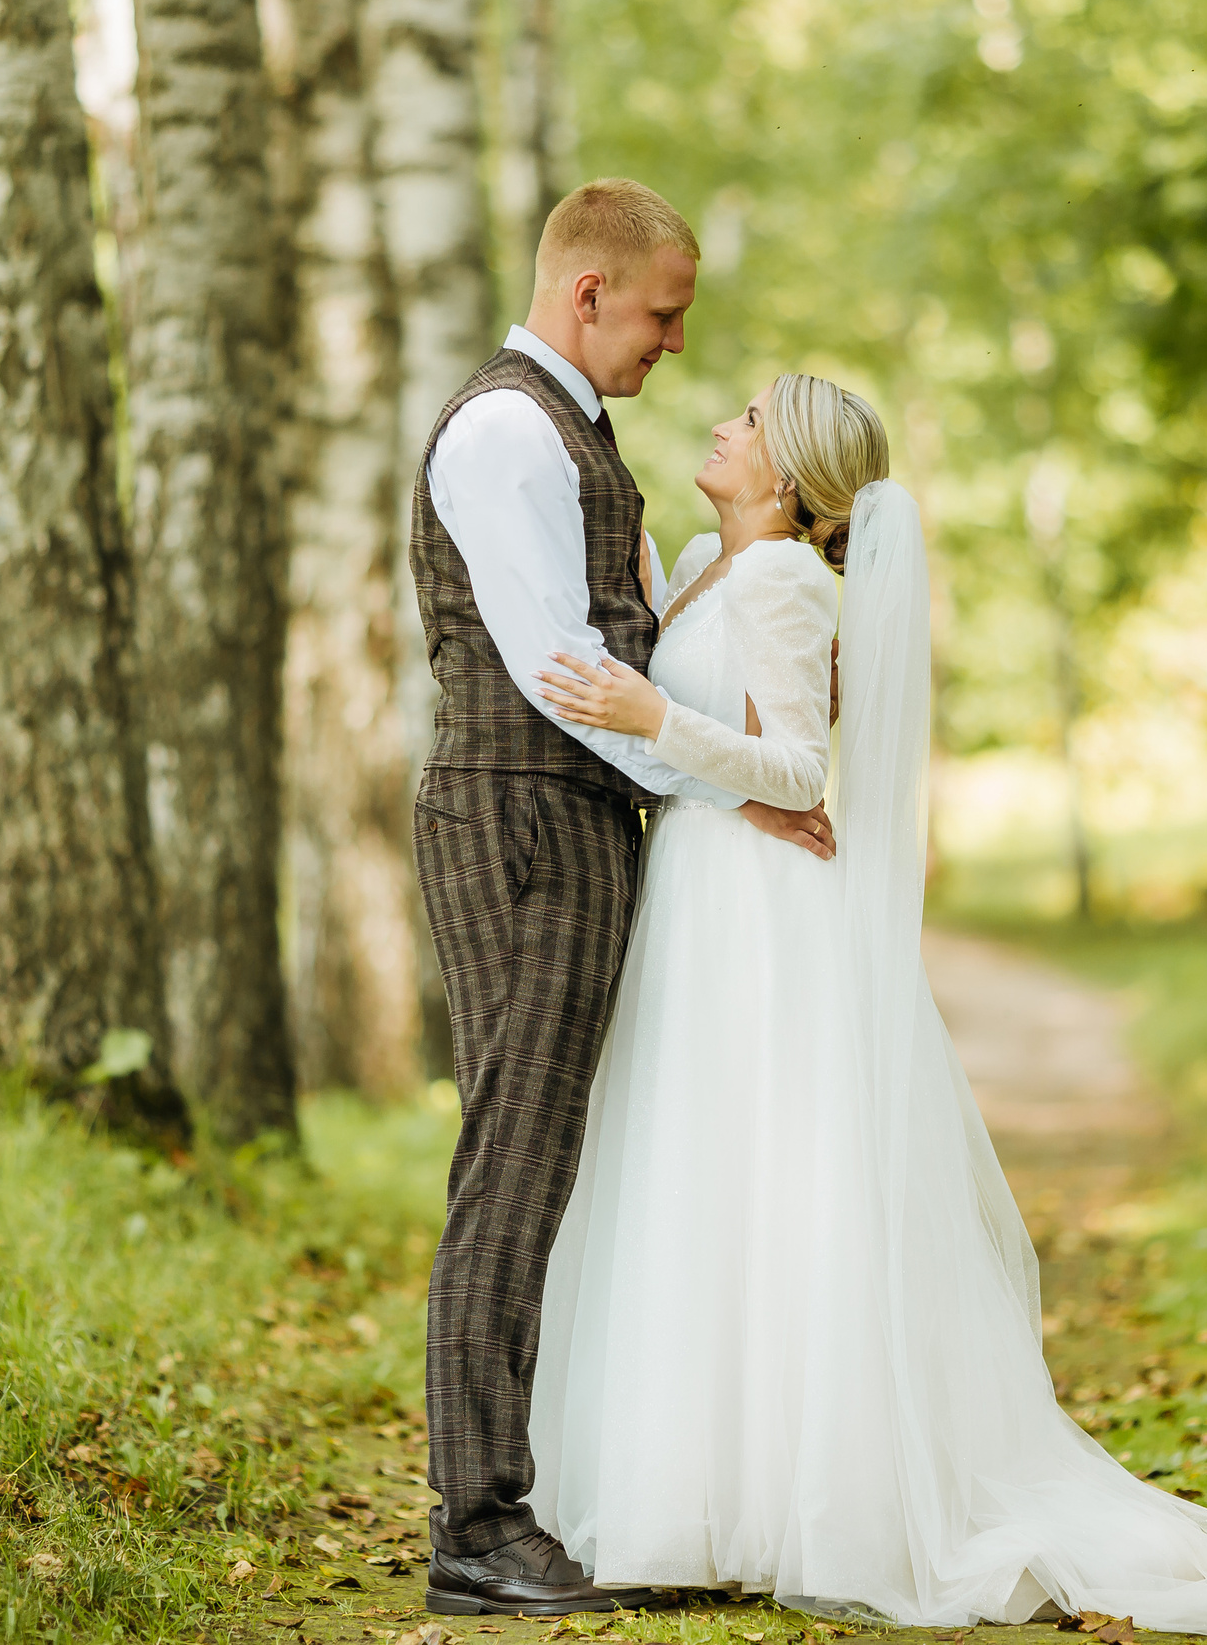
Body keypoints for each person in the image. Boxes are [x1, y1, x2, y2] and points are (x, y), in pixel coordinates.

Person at [526, 374, 1207, 1634]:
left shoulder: (782, 583)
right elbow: (731, 737)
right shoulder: (713, 573)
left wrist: (649, 711)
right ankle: (701, 1491)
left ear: (783, 480)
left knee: (767, 1174)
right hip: (703, 891)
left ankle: (791, 1493)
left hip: (758, 908)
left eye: (750, 418)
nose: (723, 421)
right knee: (705, 1173)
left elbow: (792, 764)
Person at [406, 178, 829, 1618]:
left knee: (542, 1157)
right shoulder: (505, 430)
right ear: (589, 293)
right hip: (521, 817)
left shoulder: (576, 430)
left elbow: (628, 637)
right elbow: (562, 676)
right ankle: (478, 1520)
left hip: (573, 824)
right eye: (660, 312)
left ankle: (509, 1498)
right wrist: (734, 788)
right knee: (513, 1162)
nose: (673, 344)